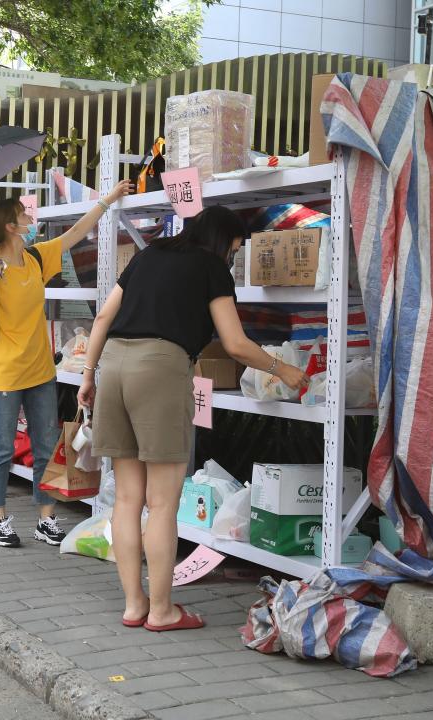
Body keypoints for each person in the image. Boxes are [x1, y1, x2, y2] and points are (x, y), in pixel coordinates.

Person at [77, 205, 308, 632]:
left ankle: (134, 605)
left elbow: (105, 315)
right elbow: (235, 344)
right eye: (235, 250)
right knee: (162, 503)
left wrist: (88, 375)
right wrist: (283, 369)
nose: (233, 259)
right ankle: (162, 610)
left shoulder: (150, 254)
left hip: (113, 364)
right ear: (223, 241)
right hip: (161, 368)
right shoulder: (211, 268)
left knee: (127, 500)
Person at [0, 180, 132, 548]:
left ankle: (46, 519)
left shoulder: (37, 258)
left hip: (40, 372)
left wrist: (108, 199)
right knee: (2, 450)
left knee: (44, 446)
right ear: (10, 225)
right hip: (4, 375)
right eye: (24, 214)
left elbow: (75, 233)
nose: (30, 217)